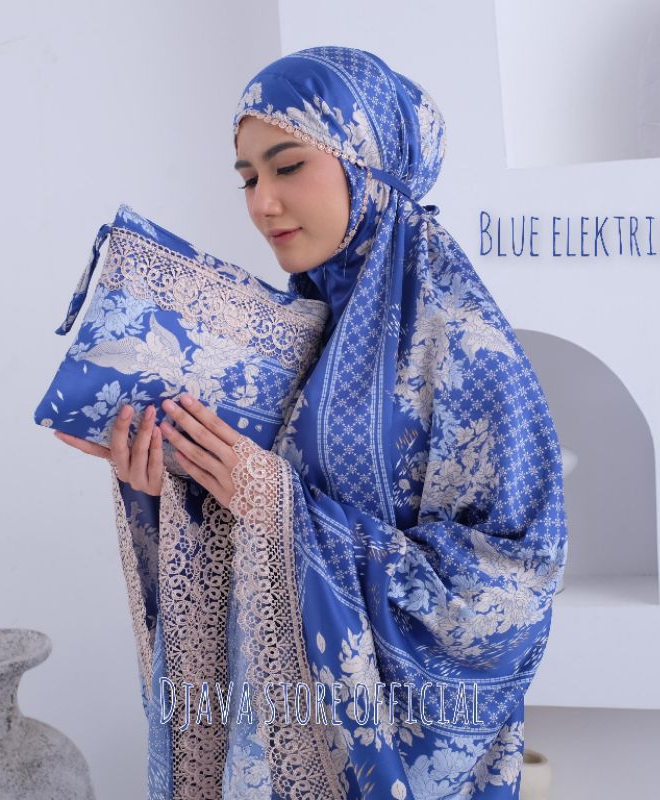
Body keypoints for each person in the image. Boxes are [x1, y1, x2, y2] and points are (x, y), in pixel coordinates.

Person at [57, 45, 568, 800]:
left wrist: (281, 508)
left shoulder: (466, 347)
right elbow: (253, 508)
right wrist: (174, 487)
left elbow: (513, 593)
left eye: (288, 166)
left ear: (372, 169)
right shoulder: (295, 332)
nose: (262, 203)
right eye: (248, 178)